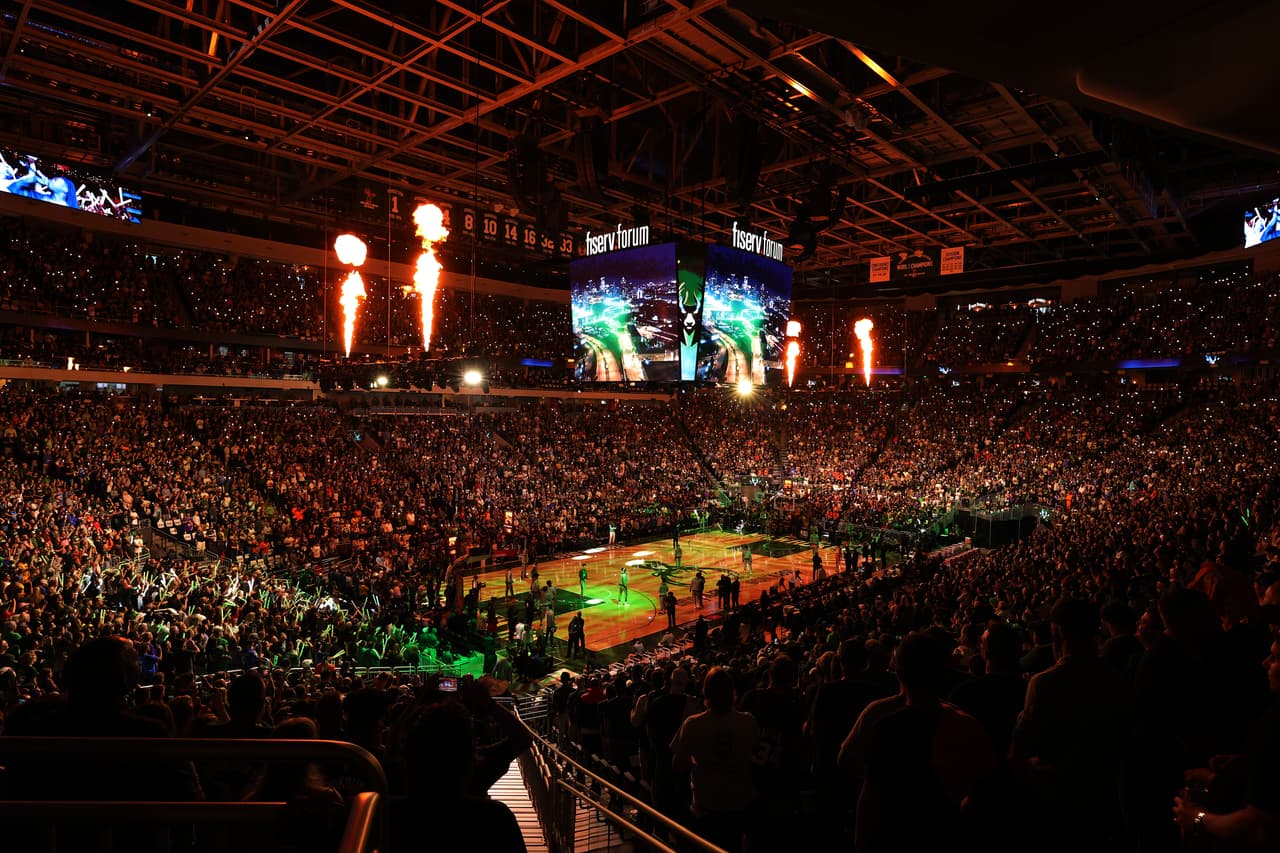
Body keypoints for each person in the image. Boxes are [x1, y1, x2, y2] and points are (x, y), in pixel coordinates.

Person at [671, 667, 759, 853]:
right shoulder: (748, 721)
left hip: (706, 808)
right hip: (741, 806)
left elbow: (678, 766)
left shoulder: (692, 724)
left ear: (705, 692)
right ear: (732, 692)